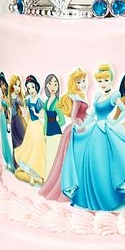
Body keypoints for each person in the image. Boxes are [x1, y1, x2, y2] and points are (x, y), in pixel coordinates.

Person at [61, 64, 125, 211]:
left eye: (106, 80)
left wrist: (114, 122)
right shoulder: (98, 96)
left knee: (108, 160)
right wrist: (81, 125)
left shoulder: (114, 96)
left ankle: (114, 195)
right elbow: (92, 115)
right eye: (100, 81)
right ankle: (94, 198)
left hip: (106, 129)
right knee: (94, 161)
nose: (103, 84)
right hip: (96, 129)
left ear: (111, 80)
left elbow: (124, 111)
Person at [39, 68, 88, 201]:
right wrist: (79, 127)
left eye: (83, 81)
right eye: (79, 82)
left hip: (81, 125)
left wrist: (92, 119)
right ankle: (70, 185)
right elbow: (73, 116)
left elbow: (84, 114)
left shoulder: (80, 97)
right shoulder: (75, 98)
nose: (83, 84)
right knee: (72, 157)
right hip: (76, 127)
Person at [14, 75, 46, 185]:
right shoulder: (28, 100)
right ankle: (31, 172)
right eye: (28, 88)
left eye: (32, 87)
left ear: (36, 86)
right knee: (29, 147)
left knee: (37, 148)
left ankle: (38, 172)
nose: (31, 90)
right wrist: (25, 113)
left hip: (37, 126)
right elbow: (27, 112)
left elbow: (44, 114)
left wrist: (37, 113)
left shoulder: (39, 100)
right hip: (31, 126)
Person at [43, 74, 66, 179]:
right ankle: (48, 178)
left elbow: (62, 120)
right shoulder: (46, 102)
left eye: (55, 84)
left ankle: (56, 179)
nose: (53, 86)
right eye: (50, 83)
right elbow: (45, 119)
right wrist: (44, 133)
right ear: (46, 86)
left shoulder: (57, 103)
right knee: (49, 155)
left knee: (55, 156)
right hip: (48, 132)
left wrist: (55, 125)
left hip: (56, 133)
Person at [8, 74, 27, 168]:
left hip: (18, 120)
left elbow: (23, 106)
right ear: (12, 85)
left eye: (19, 85)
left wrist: (24, 113)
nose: (18, 88)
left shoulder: (18, 98)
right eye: (16, 85)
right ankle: (17, 164)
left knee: (22, 139)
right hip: (13, 121)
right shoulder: (10, 96)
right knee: (14, 142)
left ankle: (24, 162)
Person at [0, 72, 14, 171]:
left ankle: (10, 162)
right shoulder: (2, 96)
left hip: (5, 118)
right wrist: (0, 109)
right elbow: (3, 107)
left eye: (3, 84)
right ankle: (6, 162)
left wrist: (9, 120)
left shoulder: (8, 97)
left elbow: (8, 108)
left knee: (7, 140)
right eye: (0, 85)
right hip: (1, 117)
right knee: (3, 139)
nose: (2, 86)